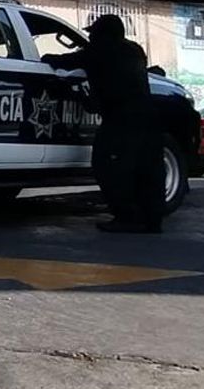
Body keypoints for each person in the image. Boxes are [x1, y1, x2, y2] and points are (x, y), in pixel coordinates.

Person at [44, 14, 165, 233]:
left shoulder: (98, 52)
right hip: (148, 118)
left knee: (108, 168)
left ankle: (127, 218)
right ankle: (152, 219)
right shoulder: (134, 51)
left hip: (121, 121)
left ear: (103, 35)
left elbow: (59, 61)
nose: (90, 38)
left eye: (94, 33)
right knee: (148, 170)